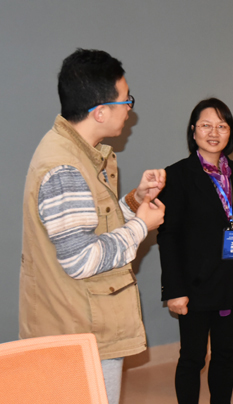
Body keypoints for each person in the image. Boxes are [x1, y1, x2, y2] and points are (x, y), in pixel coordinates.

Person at [20, 48, 166, 404]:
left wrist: (134, 202)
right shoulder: (65, 168)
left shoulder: (74, 153)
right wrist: (141, 227)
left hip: (80, 324)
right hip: (79, 331)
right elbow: (81, 259)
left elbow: (91, 227)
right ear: (100, 112)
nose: (129, 108)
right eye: (125, 100)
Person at [157, 98, 233, 404]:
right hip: (193, 284)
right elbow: (168, 235)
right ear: (193, 130)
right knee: (192, 358)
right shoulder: (177, 175)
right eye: (206, 125)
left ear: (230, 132)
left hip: (230, 280)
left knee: (225, 355)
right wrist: (174, 290)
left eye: (222, 126)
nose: (214, 132)